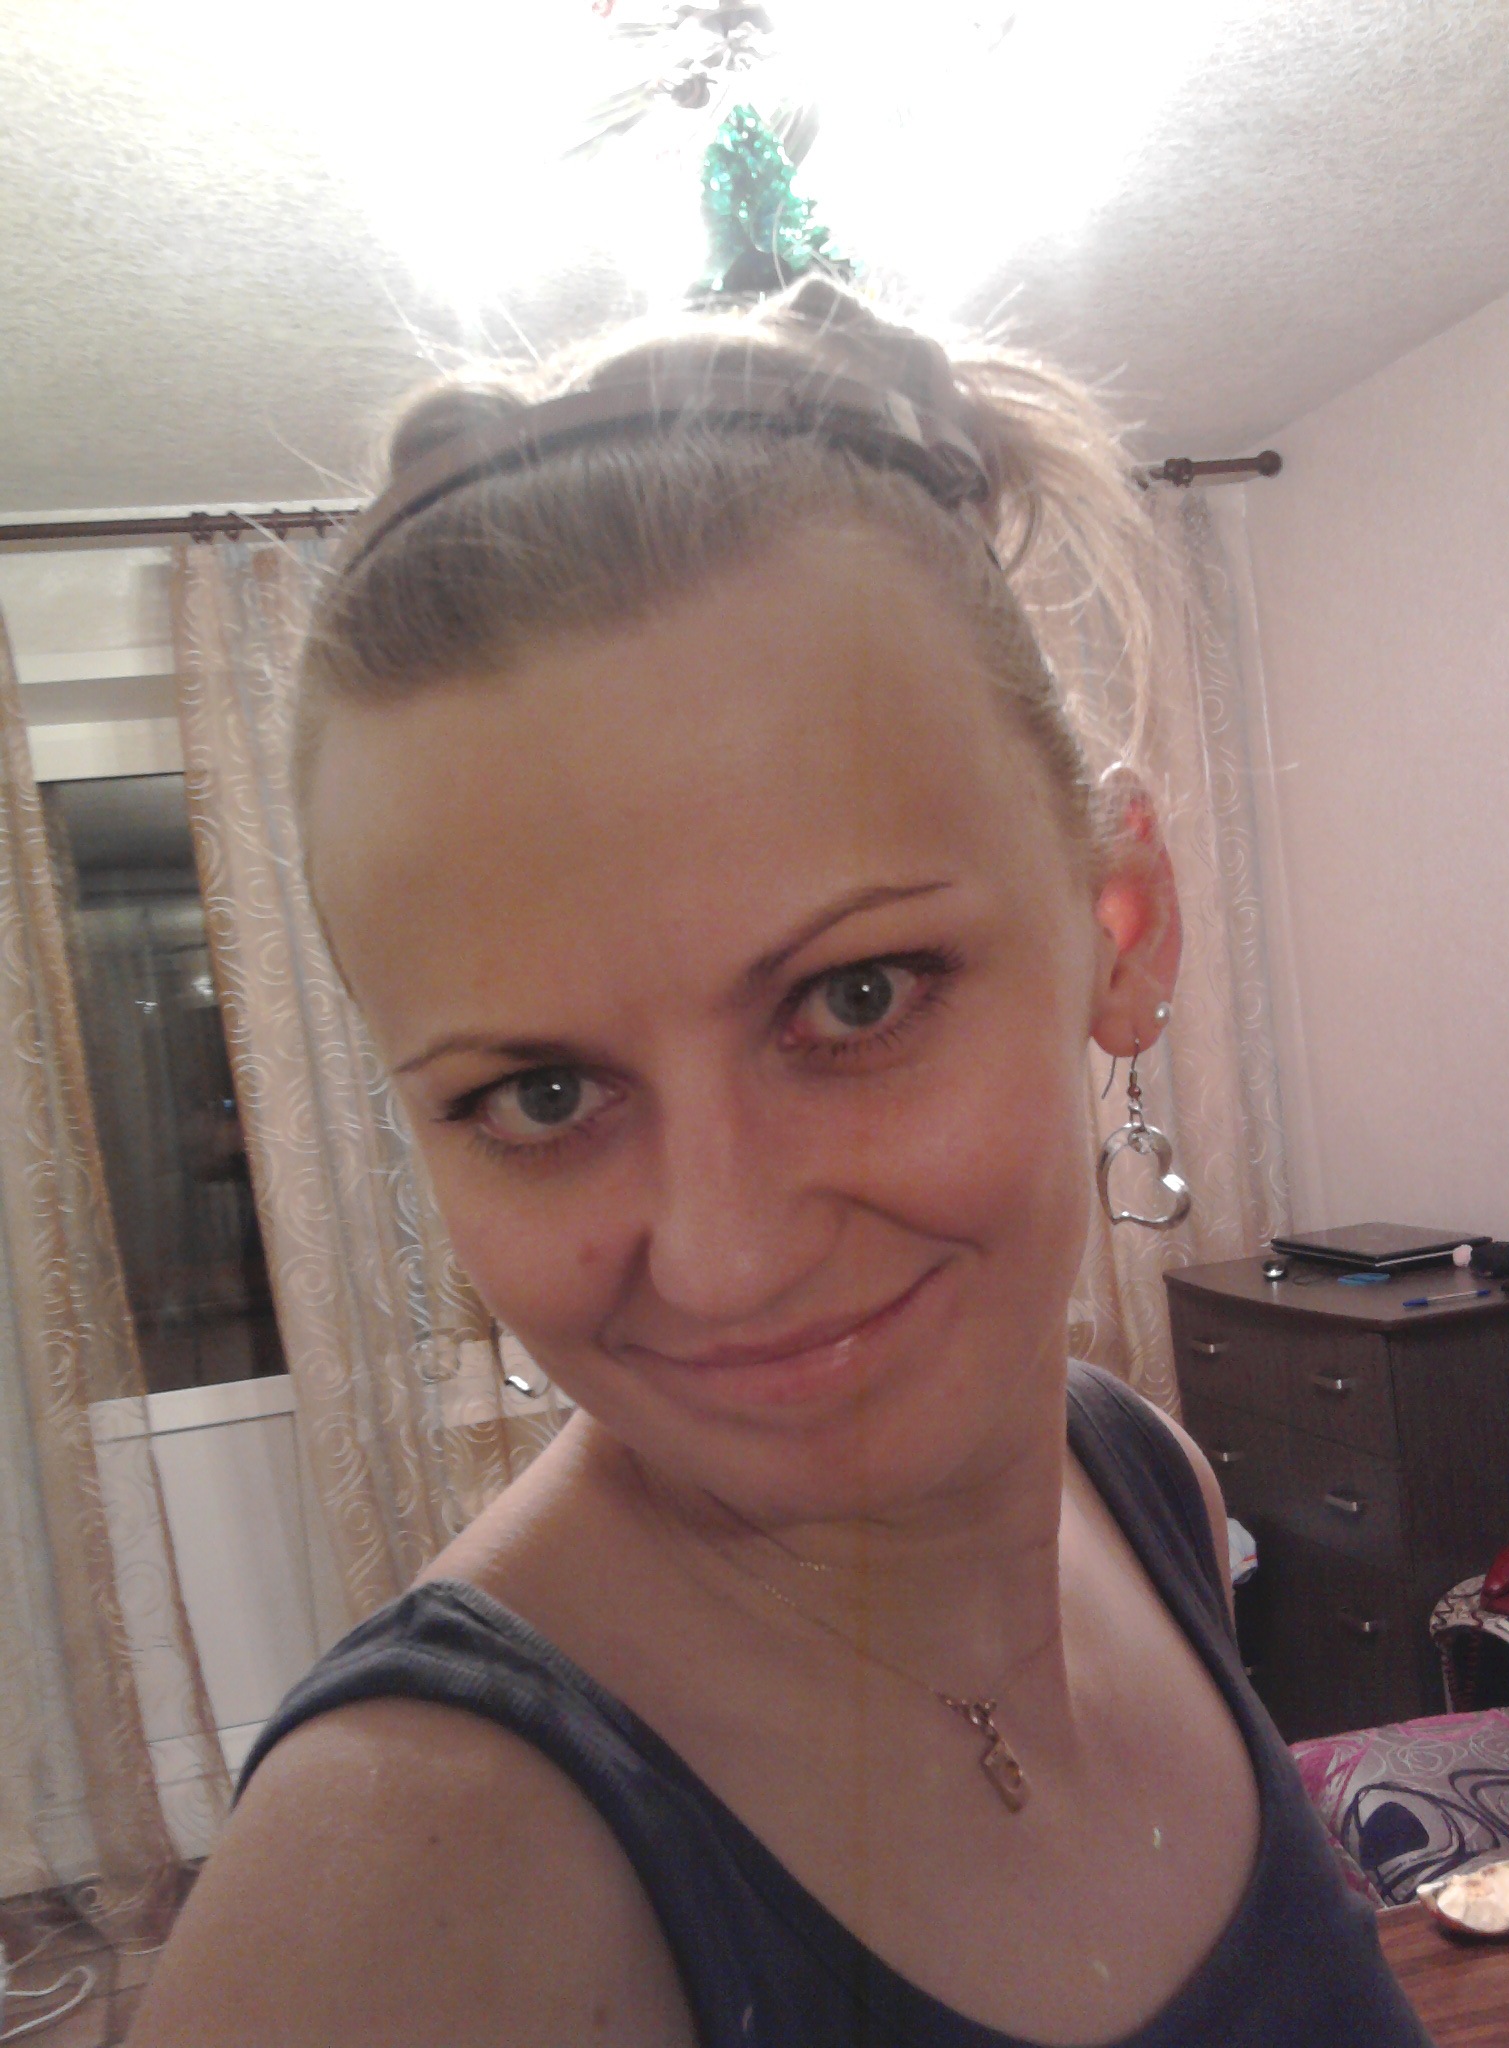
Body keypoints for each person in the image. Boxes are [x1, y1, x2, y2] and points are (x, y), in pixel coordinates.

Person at [129, 279, 1431, 2047]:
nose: (728, 1255)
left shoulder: (1141, 1487)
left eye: (855, 997)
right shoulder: (410, 1900)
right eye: (539, 1095)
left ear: (1122, 927)